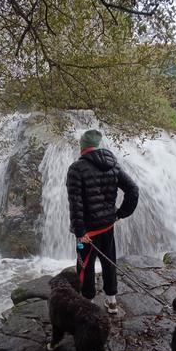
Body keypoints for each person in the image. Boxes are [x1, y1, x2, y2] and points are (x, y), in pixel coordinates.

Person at [66, 129, 139, 314]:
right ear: (97, 146)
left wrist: (80, 232)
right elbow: (133, 189)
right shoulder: (112, 164)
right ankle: (111, 301)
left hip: (88, 232)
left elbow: (75, 204)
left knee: (85, 266)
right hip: (107, 225)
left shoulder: (76, 168)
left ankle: (88, 303)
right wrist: (121, 213)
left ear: (82, 147)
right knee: (109, 262)